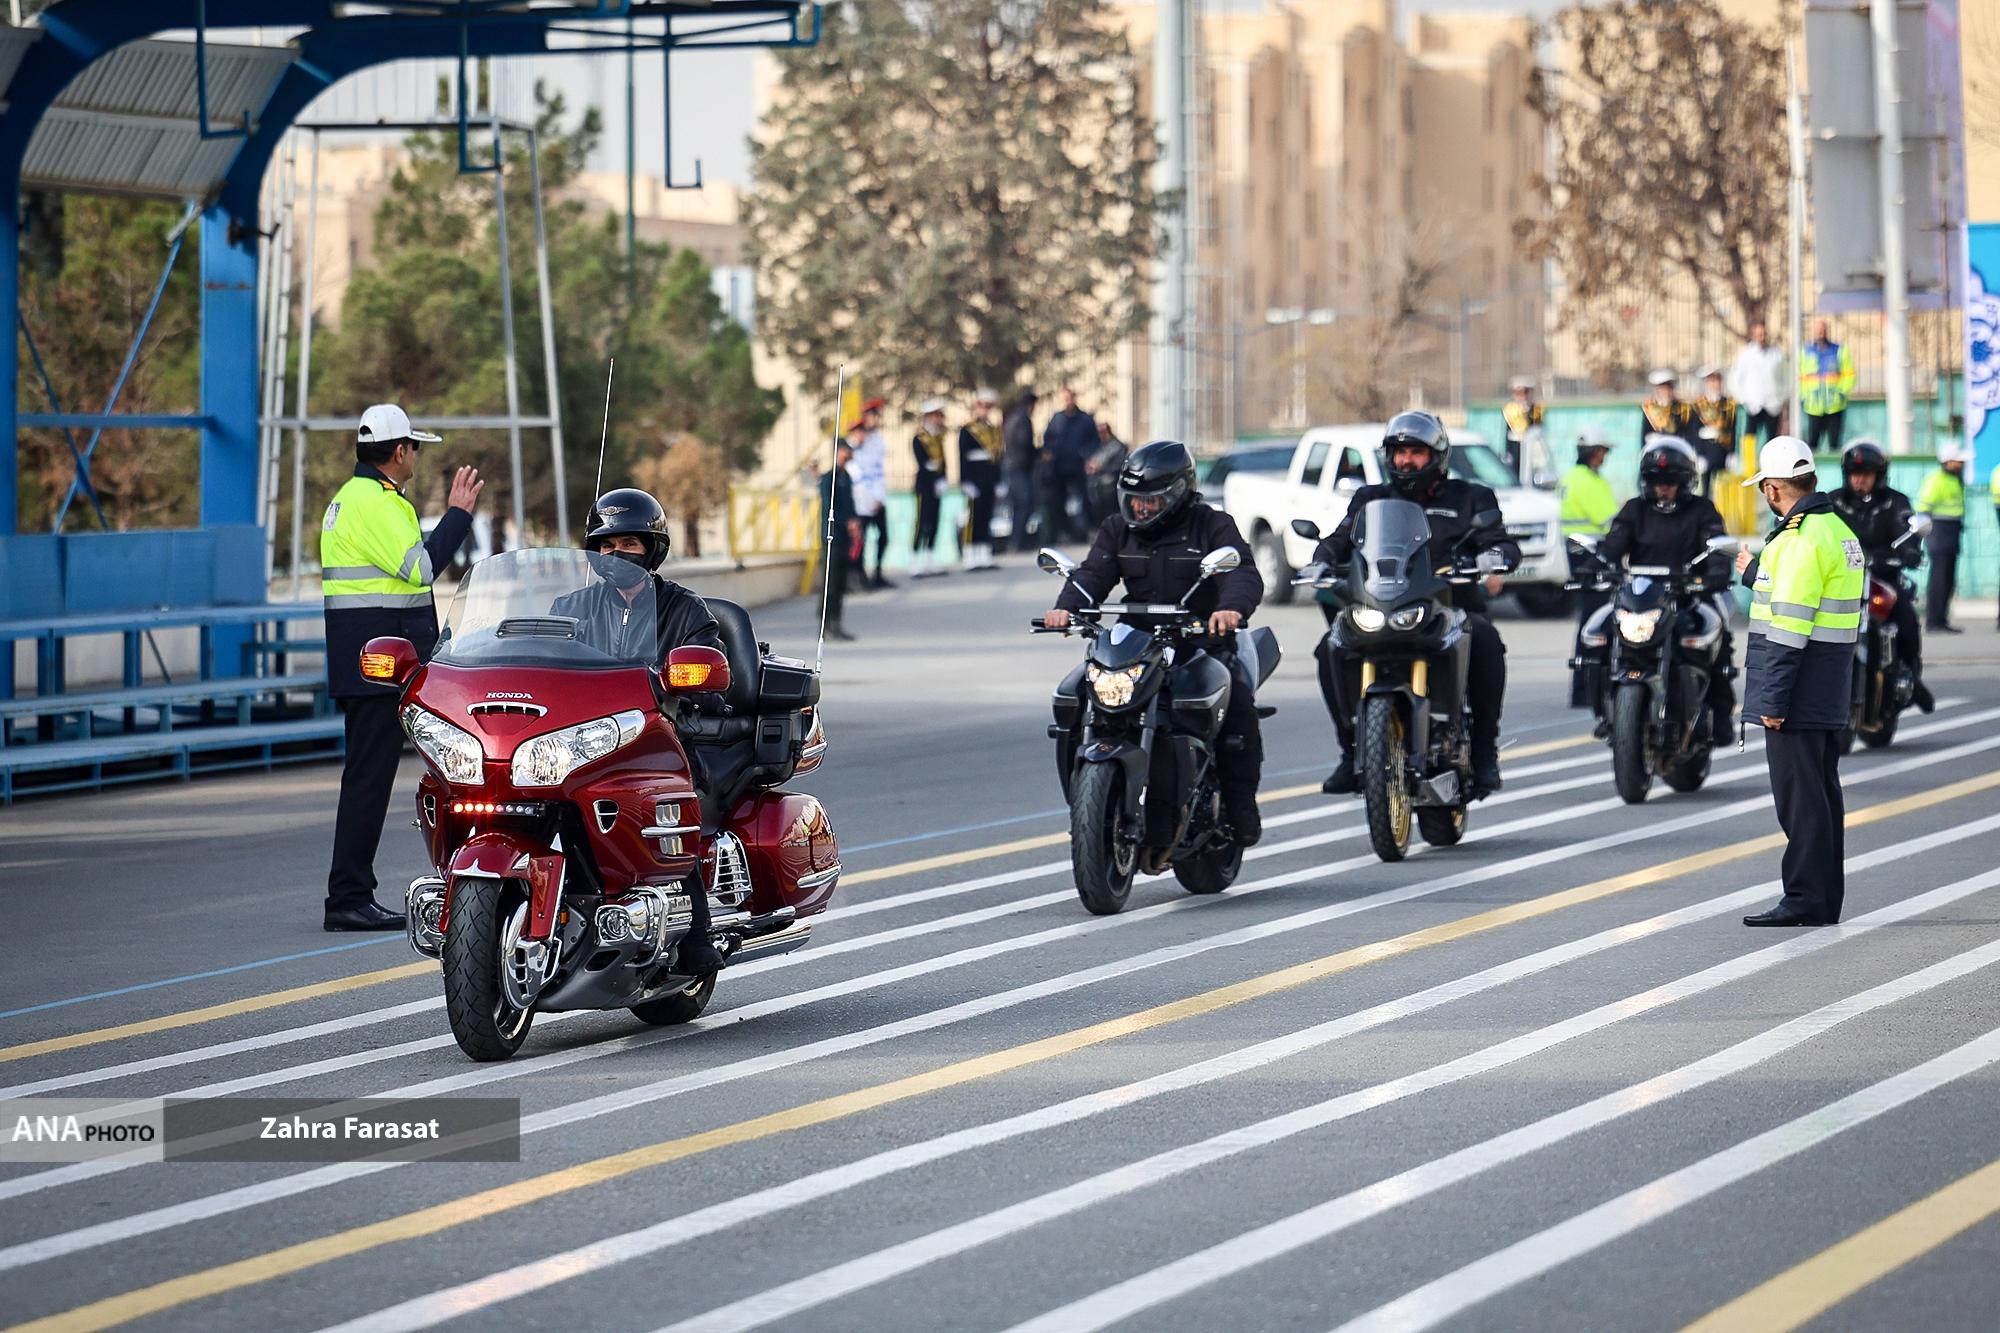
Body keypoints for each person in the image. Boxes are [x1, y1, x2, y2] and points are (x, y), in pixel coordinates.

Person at [1042, 440, 1267, 845]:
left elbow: (1242, 572)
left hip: (1201, 637)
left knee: (1238, 705)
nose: (1141, 508)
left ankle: (1240, 806)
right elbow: (1093, 575)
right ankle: (1086, 802)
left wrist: (1229, 609)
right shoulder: (1116, 529)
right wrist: (1066, 609)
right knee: (1074, 692)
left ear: (1179, 493)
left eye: (1151, 500)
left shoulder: (1212, 525)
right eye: (1134, 500)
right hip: (1138, 638)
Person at [554, 488, 730, 974]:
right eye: (606, 546)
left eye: (628, 544)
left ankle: (697, 935)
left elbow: (711, 679)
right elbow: (540, 662)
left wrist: (686, 686)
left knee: (668, 808)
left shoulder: (685, 610)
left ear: (651, 549)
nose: (616, 555)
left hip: (661, 739)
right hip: (582, 742)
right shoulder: (570, 607)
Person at [320, 404, 482, 932]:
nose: (416, 456)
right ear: (399, 451)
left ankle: (355, 893)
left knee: (371, 779)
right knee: (370, 782)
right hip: (379, 667)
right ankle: (349, 897)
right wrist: (458, 515)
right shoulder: (378, 502)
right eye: (414, 447)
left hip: (370, 662)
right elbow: (421, 569)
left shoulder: (352, 498)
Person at [1314, 412, 1521, 799]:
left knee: (1486, 640)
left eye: (1416, 452)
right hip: (1383, 603)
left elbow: (1500, 540)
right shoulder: (1370, 498)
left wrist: (1495, 556)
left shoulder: (1470, 497)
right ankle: (1349, 750)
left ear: (1437, 456)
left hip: (1449, 606)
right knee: (1330, 646)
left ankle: (1485, 751)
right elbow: (1341, 538)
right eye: (1399, 452)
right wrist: (1320, 560)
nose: (1406, 460)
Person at [1735, 435, 1865, 927]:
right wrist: (1756, 573)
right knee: (1822, 794)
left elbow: (1789, 628)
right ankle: (1823, 898)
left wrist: (1773, 700)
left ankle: (1805, 897)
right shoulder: (1836, 531)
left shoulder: (1798, 540)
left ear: (1772, 488)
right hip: (1827, 681)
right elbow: (1803, 594)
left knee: (1801, 799)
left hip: (1798, 687)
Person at [1577, 438, 1736, 743]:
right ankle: (1603, 711)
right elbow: (1613, 544)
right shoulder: (1634, 509)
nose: (1663, 488)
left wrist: (1716, 572)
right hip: (1640, 597)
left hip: (1689, 596)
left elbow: (1715, 543)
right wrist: (1593, 566)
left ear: (1684, 482)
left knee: (1716, 637)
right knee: (1597, 633)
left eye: (1670, 481)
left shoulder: (1702, 510)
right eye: (1655, 481)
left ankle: (1721, 716)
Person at [1830, 441, 1934, 712]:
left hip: (1883, 580)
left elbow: (1906, 528)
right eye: (1855, 473)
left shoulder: (1894, 502)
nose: (1860, 479)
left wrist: (1910, 551)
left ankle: (1912, 675)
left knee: (1907, 619)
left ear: (1878, 476)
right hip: (1842, 582)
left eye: (1866, 474)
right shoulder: (1833, 503)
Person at [1561, 428, 1621, 709]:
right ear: (1591, 452)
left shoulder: (1575, 477)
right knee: (1596, 620)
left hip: (1583, 555)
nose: (1604, 457)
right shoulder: (1586, 481)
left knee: (1590, 618)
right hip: (1592, 556)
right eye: (1602, 451)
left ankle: (1584, 687)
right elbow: (1611, 521)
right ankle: (1587, 687)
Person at [1916, 442, 1969, 633]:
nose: (1961, 464)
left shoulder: (1954, 479)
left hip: (1952, 531)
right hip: (1939, 532)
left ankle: (1942, 619)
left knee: (1948, 579)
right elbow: (1923, 509)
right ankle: (1934, 621)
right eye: (1958, 461)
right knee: (1939, 578)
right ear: (1948, 461)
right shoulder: (1936, 480)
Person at [1041, 386, 1097, 543]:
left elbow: (1093, 442)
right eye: (1065, 399)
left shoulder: (1085, 420)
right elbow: (1048, 440)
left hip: (1078, 466)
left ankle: (1087, 531)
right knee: (1059, 501)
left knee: (1084, 500)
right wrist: (1048, 453)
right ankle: (1065, 532)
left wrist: (1088, 456)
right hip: (1059, 468)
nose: (1068, 402)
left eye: (1070, 398)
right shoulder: (1057, 419)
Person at [818, 435, 861, 638]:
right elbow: (830, 508)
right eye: (846, 449)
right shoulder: (829, 478)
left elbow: (850, 504)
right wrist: (847, 521)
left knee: (842, 582)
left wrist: (855, 522)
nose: (849, 453)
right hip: (832, 537)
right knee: (831, 582)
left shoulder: (847, 477)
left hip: (845, 537)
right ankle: (826, 623)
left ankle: (837, 621)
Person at [957, 388, 1003, 572]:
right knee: (973, 518)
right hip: (974, 478)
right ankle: (970, 555)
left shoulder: (992, 430)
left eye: (988, 407)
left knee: (986, 515)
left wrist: (999, 481)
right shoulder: (968, 430)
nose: (985, 410)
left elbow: (997, 457)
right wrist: (965, 481)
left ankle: (984, 554)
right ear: (976, 407)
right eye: (982, 406)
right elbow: (963, 457)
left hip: (988, 478)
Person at [850, 398, 893, 589]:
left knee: (884, 537)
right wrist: (870, 500)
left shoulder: (876, 440)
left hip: (878, 500)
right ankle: (861, 577)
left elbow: (878, 473)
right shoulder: (854, 446)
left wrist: (880, 498)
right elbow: (859, 478)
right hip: (862, 503)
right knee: (861, 540)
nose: (874, 420)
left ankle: (878, 574)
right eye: (871, 416)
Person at [1728, 318, 1787, 449]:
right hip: (1753, 404)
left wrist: (1781, 397)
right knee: (1750, 435)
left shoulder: (1776, 354)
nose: (1762, 337)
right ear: (1753, 335)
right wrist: (1743, 398)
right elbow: (1736, 378)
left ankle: (1771, 460)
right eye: (1759, 334)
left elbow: (1785, 377)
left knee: (1772, 437)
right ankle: (1749, 462)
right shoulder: (1746, 354)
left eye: (1764, 334)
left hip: (1772, 404)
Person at [909, 400, 952, 579]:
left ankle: (929, 558)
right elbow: (924, 464)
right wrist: (935, 479)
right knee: (922, 522)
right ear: (928, 417)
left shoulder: (938, 437)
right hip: (924, 486)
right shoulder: (919, 438)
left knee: (934, 522)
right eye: (936, 415)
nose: (939, 419)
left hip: (937, 486)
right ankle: (914, 559)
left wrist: (944, 479)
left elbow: (942, 461)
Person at [1799, 319, 1855, 456]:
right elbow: (1800, 376)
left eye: (1822, 330)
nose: (1820, 333)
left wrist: (1841, 392)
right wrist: (1804, 396)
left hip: (1835, 404)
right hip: (1813, 406)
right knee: (1812, 445)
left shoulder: (1839, 350)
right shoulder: (1806, 351)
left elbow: (1849, 374)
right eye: (1817, 330)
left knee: (1835, 444)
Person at [1003, 389, 1040, 551]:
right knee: (1025, 504)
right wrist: (1038, 454)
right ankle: (1018, 540)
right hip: (1020, 467)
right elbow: (1024, 443)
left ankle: (1016, 540)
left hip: (1011, 467)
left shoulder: (1012, 418)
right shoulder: (1023, 420)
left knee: (1018, 505)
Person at [1692, 364, 1740, 484]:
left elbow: (1733, 430)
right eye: (1711, 381)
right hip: (1706, 452)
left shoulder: (1729, 404)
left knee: (1724, 486)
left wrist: (1733, 453)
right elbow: (1693, 431)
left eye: (1717, 380)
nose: (1715, 384)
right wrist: (1698, 454)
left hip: (1723, 451)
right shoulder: (1698, 405)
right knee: (1705, 486)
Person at [1640, 368, 1697, 452]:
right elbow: (1645, 435)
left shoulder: (1683, 409)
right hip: (1657, 451)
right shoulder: (1650, 408)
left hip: (1678, 451)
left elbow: (1690, 433)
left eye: (1668, 388)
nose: (1665, 392)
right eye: (1662, 388)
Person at [1084, 418, 1128, 524]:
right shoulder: (1099, 445)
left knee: (1110, 514)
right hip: (1097, 486)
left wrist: (1100, 468)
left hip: (1110, 486)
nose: (1101, 435)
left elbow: (1118, 466)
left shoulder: (1118, 446)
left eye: (1103, 432)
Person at [1501, 376, 1545, 476]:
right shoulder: (1510, 410)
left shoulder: (1536, 409)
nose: (1523, 396)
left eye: (1526, 392)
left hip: (1533, 454)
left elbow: (1537, 430)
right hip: (1516, 452)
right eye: (1519, 393)